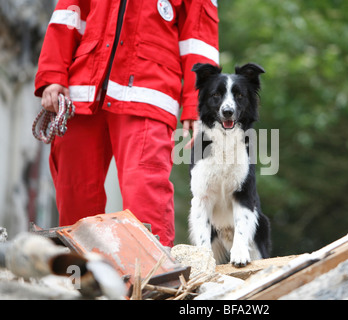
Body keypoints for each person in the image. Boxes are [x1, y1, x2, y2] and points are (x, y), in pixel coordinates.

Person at [34, 0, 219, 247]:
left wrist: (200, 103)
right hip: (82, 93)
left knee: (144, 194)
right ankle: (80, 279)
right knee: (75, 194)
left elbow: (198, 36)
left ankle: (152, 279)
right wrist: (53, 74)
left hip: (148, 92)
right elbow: (68, 14)